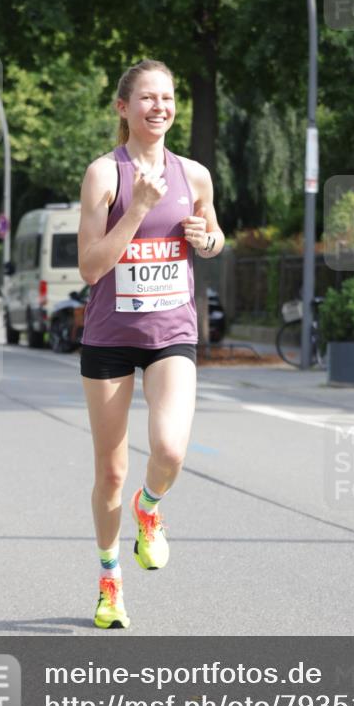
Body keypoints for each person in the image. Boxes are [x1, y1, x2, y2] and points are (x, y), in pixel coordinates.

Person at [78, 59, 225, 629]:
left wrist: (208, 239)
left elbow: (213, 236)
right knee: (110, 471)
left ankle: (150, 508)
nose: (159, 107)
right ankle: (110, 580)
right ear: (123, 108)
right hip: (110, 337)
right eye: (146, 98)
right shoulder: (104, 175)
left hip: (172, 334)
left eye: (167, 98)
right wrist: (137, 208)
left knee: (169, 451)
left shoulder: (194, 175)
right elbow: (91, 267)